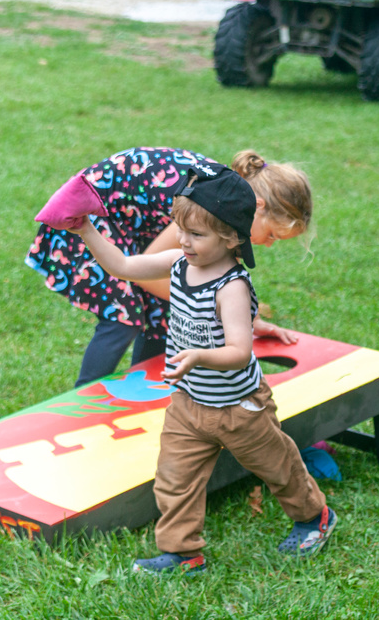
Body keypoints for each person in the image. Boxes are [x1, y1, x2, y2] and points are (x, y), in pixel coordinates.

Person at [68, 164, 336, 575]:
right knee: (174, 480)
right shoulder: (179, 262)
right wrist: (85, 228)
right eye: (181, 229)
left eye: (196, 234)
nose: (183, 240)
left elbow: (239, 352)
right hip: (189, 404)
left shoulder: (232, 287)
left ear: (230, 237)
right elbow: (123, 266)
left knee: (278, 468)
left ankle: (314, 517)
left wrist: (196, 356)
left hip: (239, 408)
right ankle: (182, 552)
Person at [26, 146, 313, 387]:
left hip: (130, 225)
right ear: (258, 206)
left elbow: (215, 278)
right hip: (86, 212)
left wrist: (246, 320)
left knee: (165, 312)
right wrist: (214, 310)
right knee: (123, 314)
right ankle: (83, 404)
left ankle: (148, 390)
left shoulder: (226, 201)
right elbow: (150, 277)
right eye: (272, 234)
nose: (269, 244)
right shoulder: (208, 205)